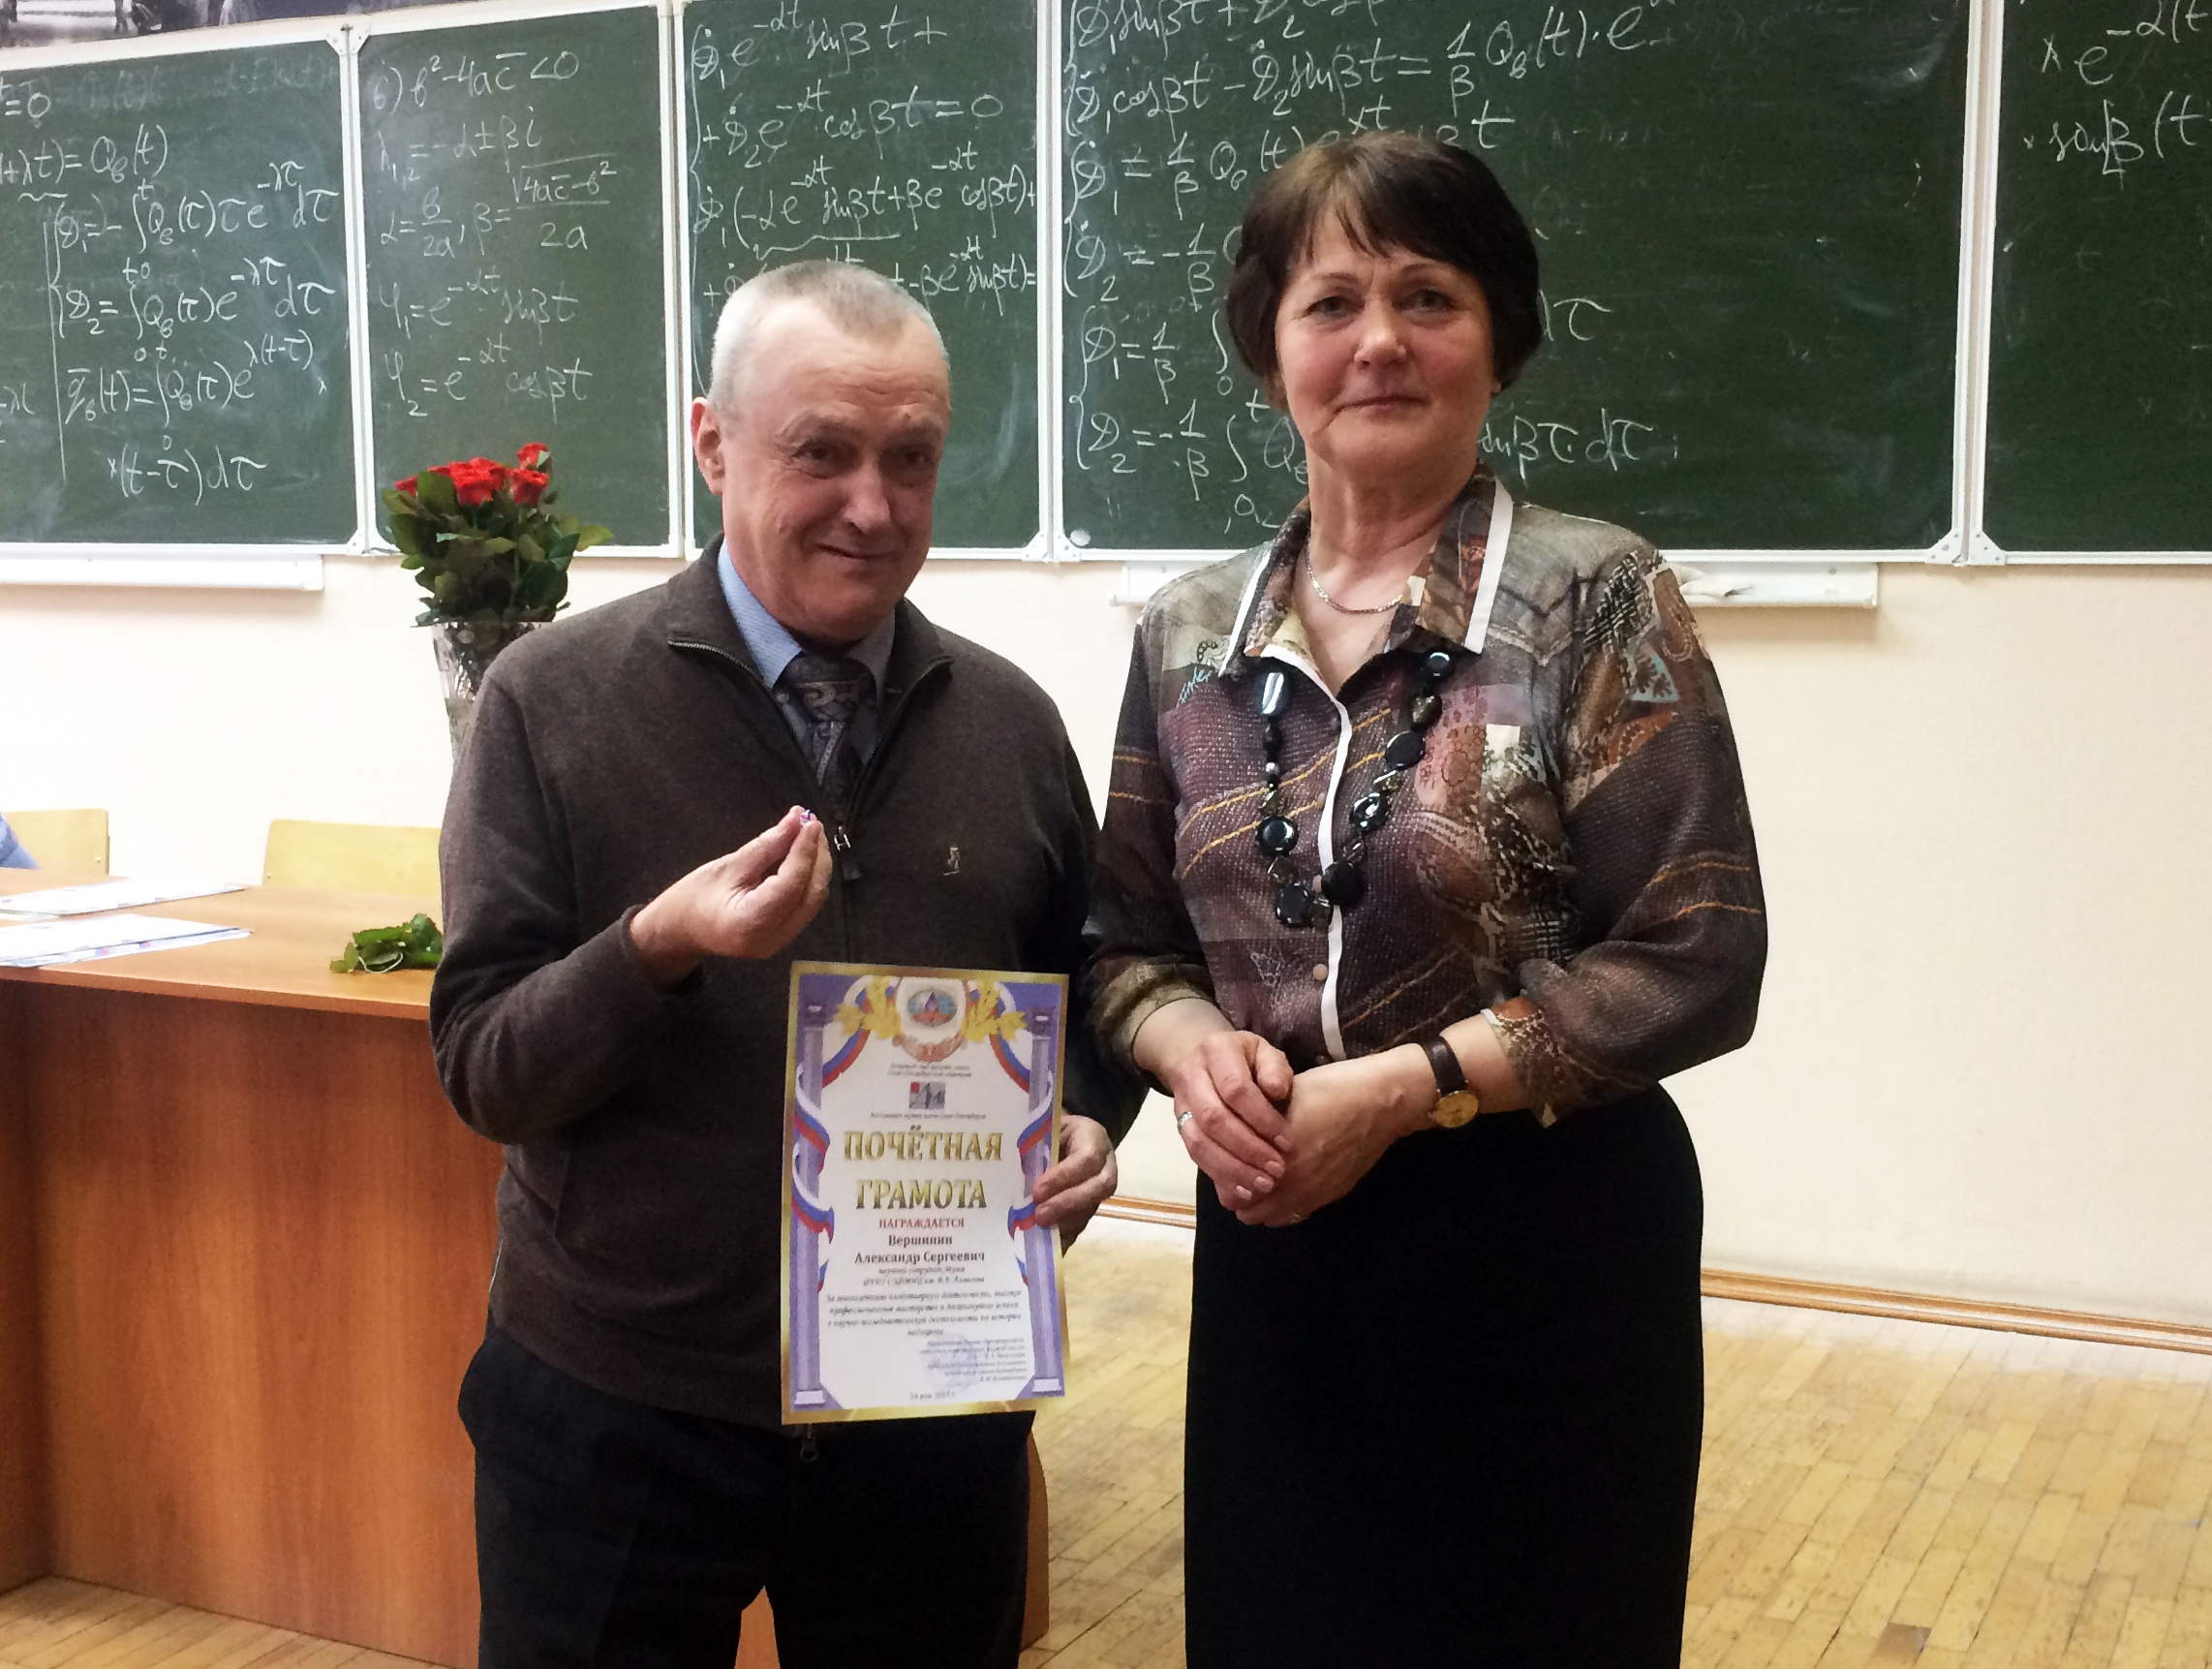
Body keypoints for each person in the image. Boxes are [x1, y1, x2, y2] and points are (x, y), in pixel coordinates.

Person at [1083, 133, 1767, 1668]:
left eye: (1427, 296)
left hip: (1543, 1243)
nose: (1378, 340)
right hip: (1279, 1237)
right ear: (1270, 349)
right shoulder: (1184, 634)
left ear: (1497, 339)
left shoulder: (1594, 596)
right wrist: (1191, 1050)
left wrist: (1405, 1089)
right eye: (1331, 301)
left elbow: (1699, 952)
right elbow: (1118, 939)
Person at [431, 260, 1135, 1669]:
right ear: (713, 443)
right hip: (619, 1407)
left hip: (927, 1405)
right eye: (822, 452)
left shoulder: (1009, 724)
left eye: (911, 458)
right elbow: (484, 1070)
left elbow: (1095, 985)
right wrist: (655, 948)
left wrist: (1090, 1117)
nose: (873, 506)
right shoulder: (550, 704)